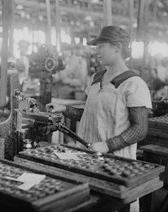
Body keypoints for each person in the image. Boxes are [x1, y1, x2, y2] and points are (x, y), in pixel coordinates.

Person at [46, 26, 152, 212]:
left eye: (101, 46)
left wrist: (106, 145)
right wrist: (64, 109)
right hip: (88, 159)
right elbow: (89, 115)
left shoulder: (134, 84)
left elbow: (139, 129)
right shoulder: (97, 78)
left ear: (117, 48)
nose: (96, 51)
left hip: (116, 165)